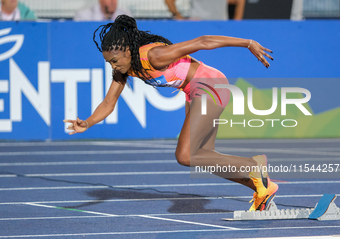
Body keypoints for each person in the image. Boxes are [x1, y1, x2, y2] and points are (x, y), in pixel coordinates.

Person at [64, 15, 277, 212]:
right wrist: (88, 123)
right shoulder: (124, 69)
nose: (113, 66)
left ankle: (253, 165)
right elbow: (109, 103)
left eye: (114, 60)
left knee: (185, 155)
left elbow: (203, 41)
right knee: (205, 158)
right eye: (109, 62)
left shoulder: (154, 55)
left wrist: (248, 43)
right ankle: (262, 188)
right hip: (194, 92)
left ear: (127, 51)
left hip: (211, 85)